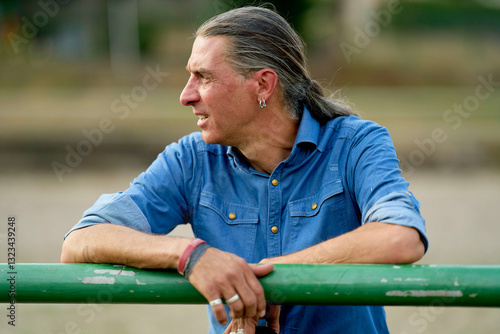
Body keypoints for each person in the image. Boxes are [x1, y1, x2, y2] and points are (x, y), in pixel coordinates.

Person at [61, 6, 428, 334]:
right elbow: (81, 240)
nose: (186, 95)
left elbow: (401, 236)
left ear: (263, 85)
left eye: (203, 77)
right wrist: (190, 256)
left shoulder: (357, 143)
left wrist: (269, 276)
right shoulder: (191, 159)